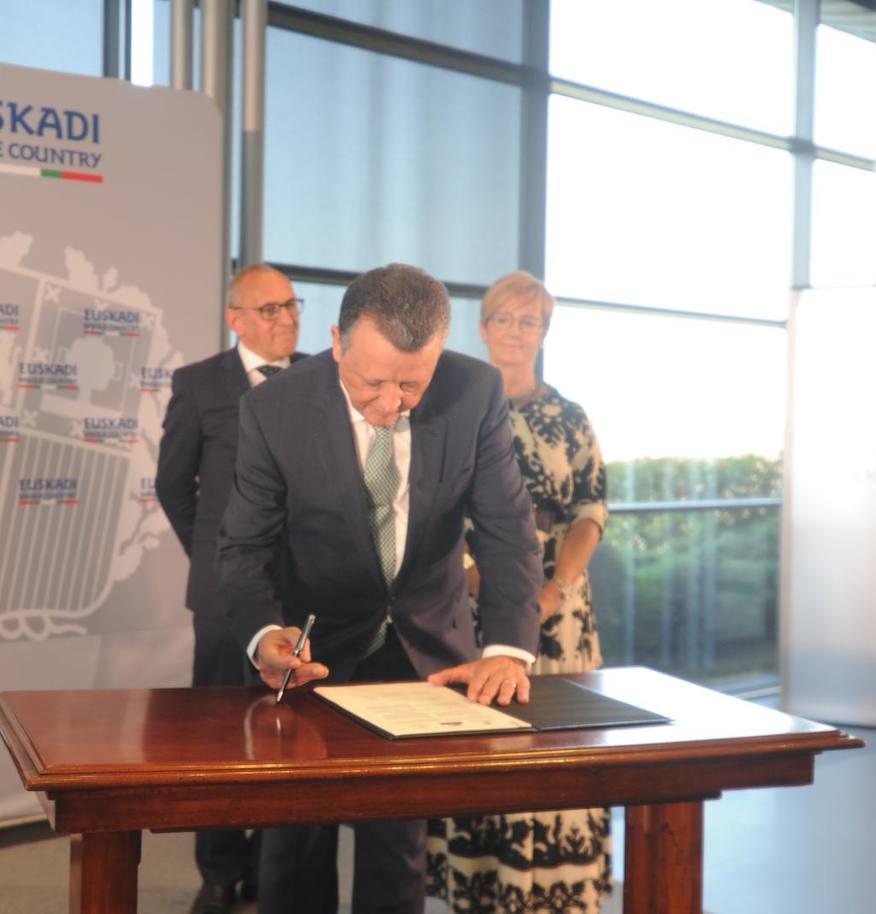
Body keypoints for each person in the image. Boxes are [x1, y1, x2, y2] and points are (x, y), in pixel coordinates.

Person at [217, 263, 544, 914]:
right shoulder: (273, 409)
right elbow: (244, 547)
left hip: (423, 646)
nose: (391, 404)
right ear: (337, 341)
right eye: (372, 382)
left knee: (399, 848)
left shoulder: (474, 391)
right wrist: (262, 635)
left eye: (411, 384)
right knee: (295, 841)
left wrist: (508, 646)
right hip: (314, 643)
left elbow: (508, 531)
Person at [426, 271, 611, 914]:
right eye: (503, 318)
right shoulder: (451, 408)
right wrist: (475, 572)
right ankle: (481, 885)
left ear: (544, 332)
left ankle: (551, 891)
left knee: (559, 750)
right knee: (481, 745)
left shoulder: (570, 415)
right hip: (469, 605)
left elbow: (591, 508)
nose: (514, 330)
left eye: (528, 320)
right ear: (482, 328)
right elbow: (430, 505)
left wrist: (556, 586)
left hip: (558, 612)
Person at [156, 263, 305, 914]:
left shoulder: (321, 379)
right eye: (268, 310)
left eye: (291, 306)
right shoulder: (198, 385)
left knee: (288, 732)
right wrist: (214, 561)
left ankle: (278, 869)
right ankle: (220, 871)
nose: (285, 319)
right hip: (222, 596)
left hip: (298, 589)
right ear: (235, 318)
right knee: (218, 732)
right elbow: (172, 484)